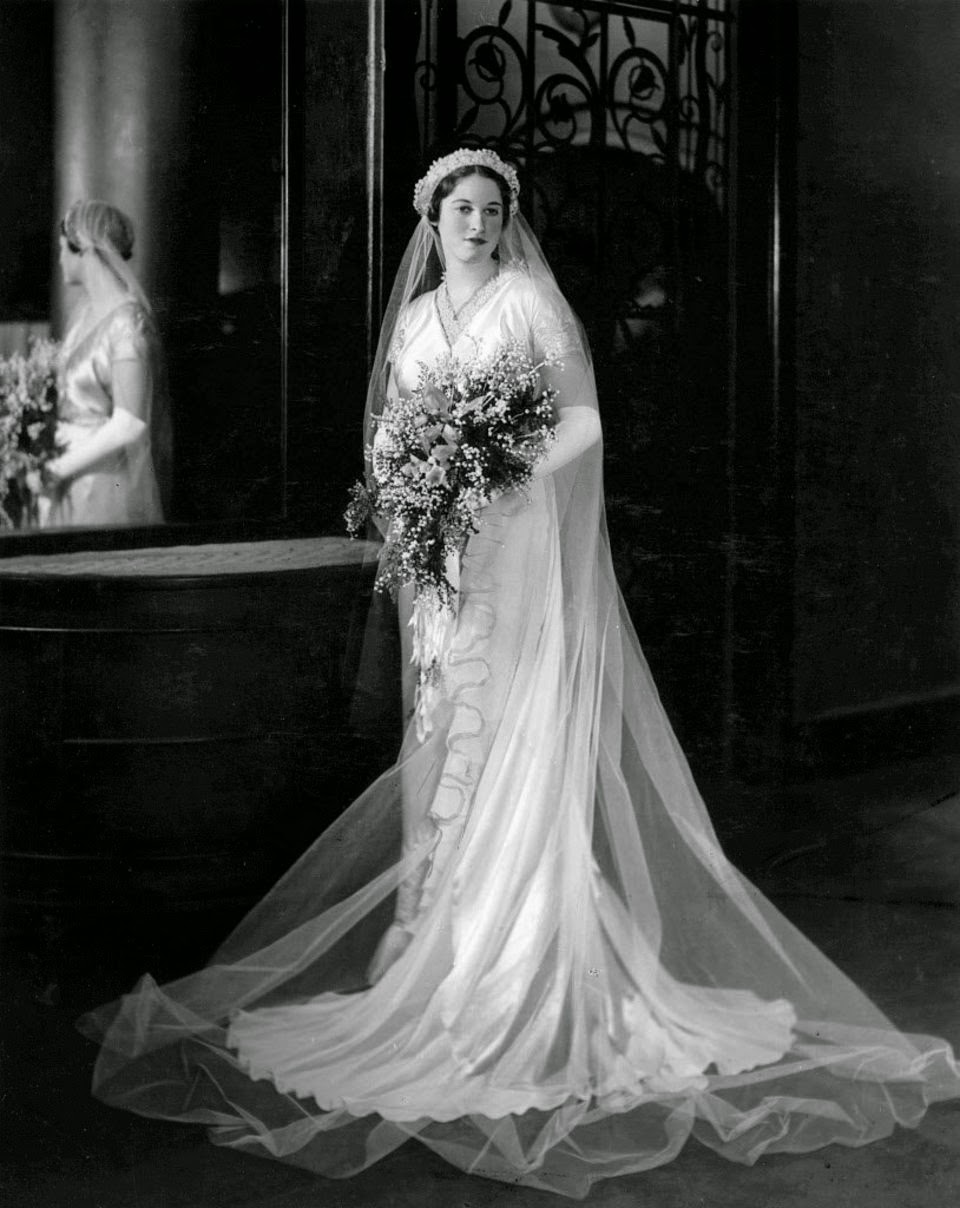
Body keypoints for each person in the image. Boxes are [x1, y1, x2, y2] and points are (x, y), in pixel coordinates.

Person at [79, 149, 960, 1199]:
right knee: (440, 737)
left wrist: (496, 476)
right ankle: (439, 950)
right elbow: (393, 434)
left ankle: (522, 965)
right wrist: (418, 493)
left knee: (512, 737)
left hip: (517, 558)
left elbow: (582, 422)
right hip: (439, 573)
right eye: (461, 206)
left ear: (505, 224)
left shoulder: (530, 305)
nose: (477, 222)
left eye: (493, 209)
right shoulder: (411, 323)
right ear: (433, 215)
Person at [38, 199, 169, 527]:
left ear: (84, 248)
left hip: (101, 480)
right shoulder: (85, 314)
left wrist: (56, 470)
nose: (59, 259)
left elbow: (130, 423)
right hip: (68, 474)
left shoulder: (127, 322)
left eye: (62, 249)